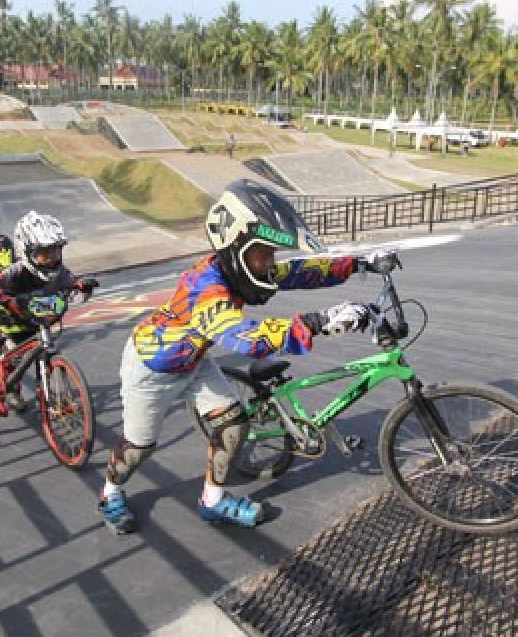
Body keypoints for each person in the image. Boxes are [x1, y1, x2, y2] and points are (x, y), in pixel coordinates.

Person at [96, 179, 377, 534]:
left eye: (270, 254)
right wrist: (317, 321)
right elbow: (245, 339)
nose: (270, 263)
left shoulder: (239, 267)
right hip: (153, 369)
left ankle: (212, 501)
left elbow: (298, 272)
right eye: (264, 254)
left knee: (234, 426)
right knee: (139, 448)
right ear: (236, 248)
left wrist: (359, 264)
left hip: (193, 361)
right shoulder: (205, 287)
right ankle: (110, 492)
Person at [0, 213, 99, 411]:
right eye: (44, 254)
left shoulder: (60, 271)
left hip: (38, 321)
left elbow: (70, 280)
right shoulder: (16, 271)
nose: (51, 259)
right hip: (12, 323)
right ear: (27, 252)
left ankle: (45, 392)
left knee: (44, 353)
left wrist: (81, 284)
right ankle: (12, 389)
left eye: (55, 252)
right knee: (13, 358)